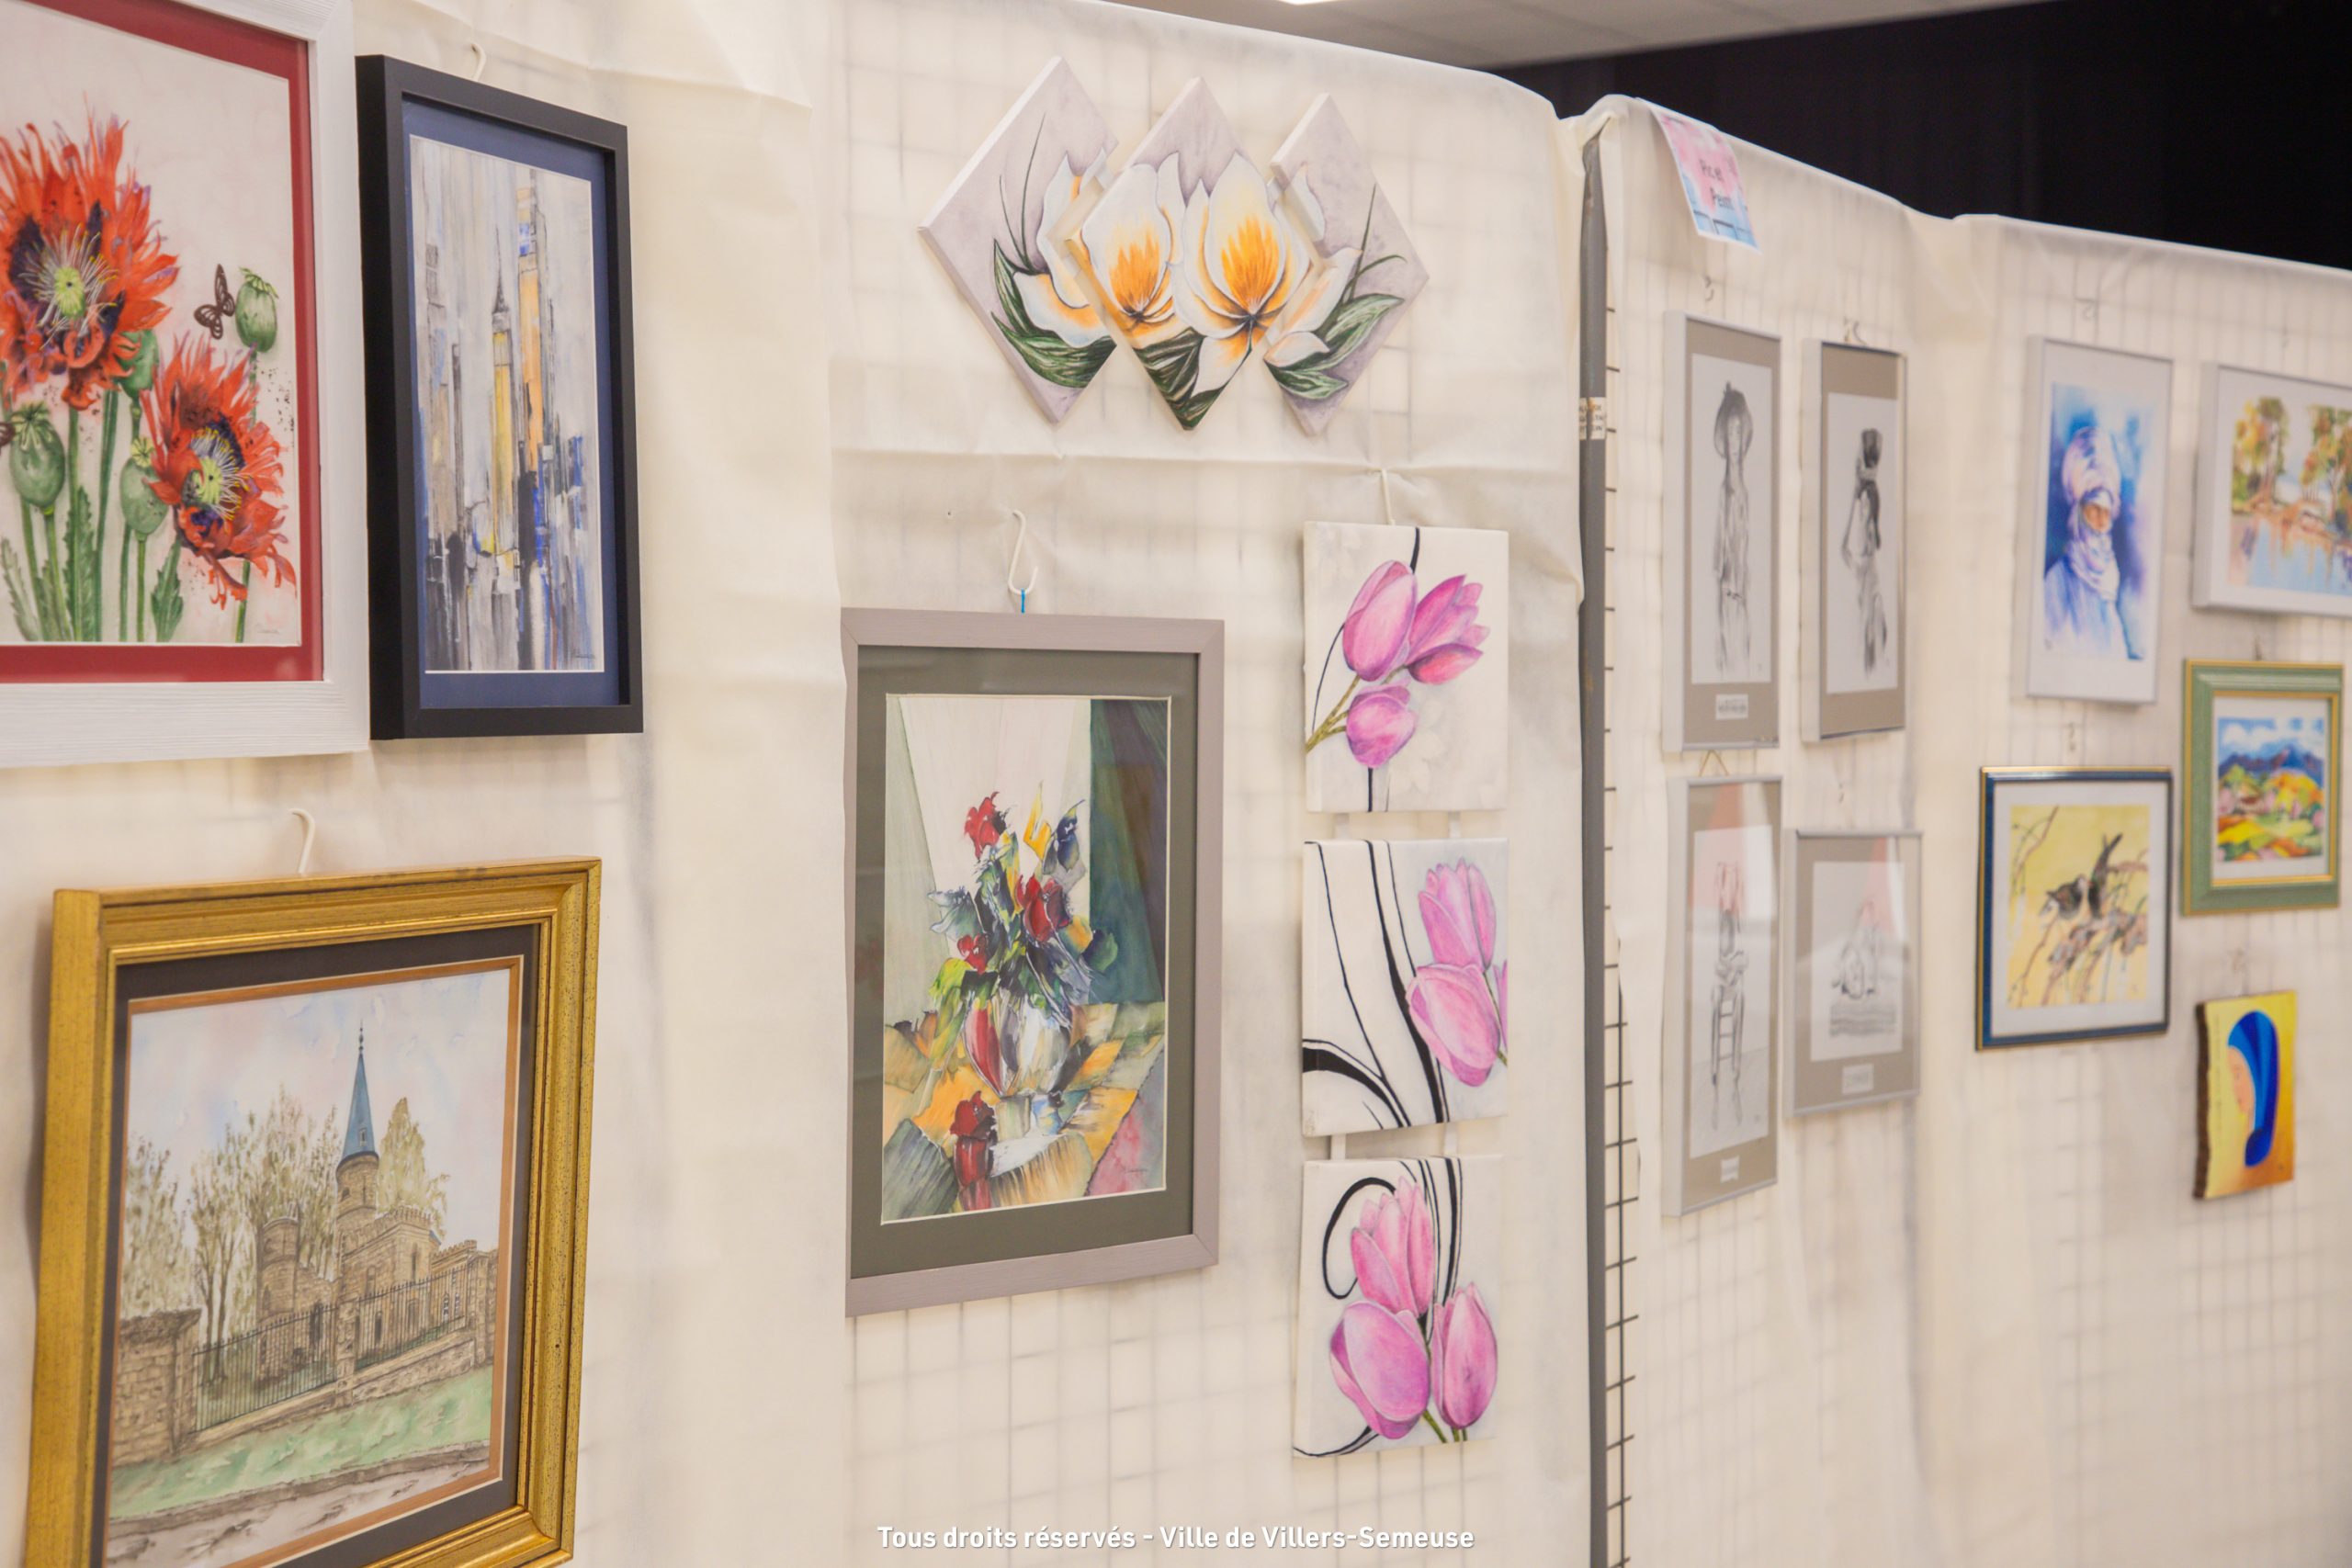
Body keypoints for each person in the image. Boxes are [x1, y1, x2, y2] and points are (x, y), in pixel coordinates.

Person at [2042, 426, 2138, 660]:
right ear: (2079, 512)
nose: (2101, 521)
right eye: (2094, 509)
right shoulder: (2057, 580)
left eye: (2107, 512)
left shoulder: (2109, 577)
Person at [1712, 385, 1755, 676]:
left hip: (1744, 595)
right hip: (1728, 594)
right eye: (1730, 433)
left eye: (1739, 432)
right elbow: (1718, 554)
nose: (1735, 441)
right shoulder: (1724, 493)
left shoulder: (1746, 493)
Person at [1839, 428, 1888, 674]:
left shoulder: (1868, 502)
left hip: (1871, 603)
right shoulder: (1865, 562)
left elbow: (1848, 551)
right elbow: (1846, 551)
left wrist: (1856, 497)